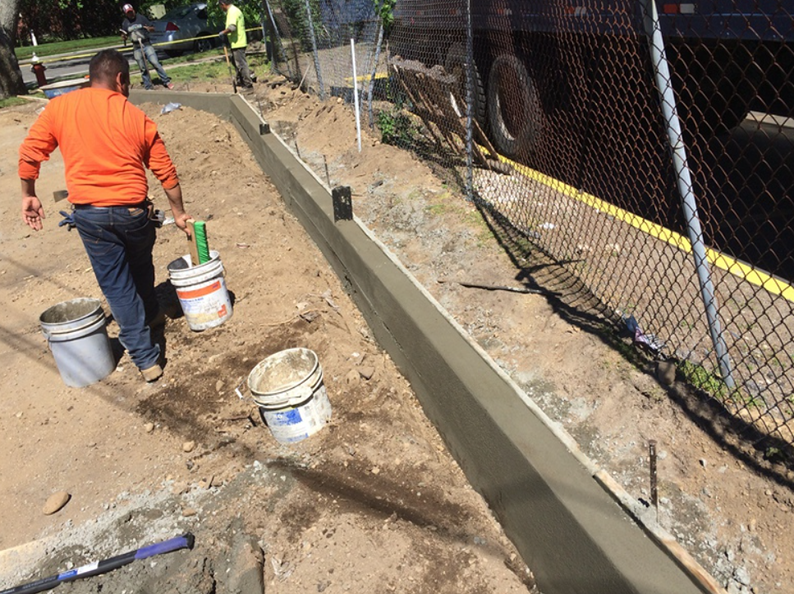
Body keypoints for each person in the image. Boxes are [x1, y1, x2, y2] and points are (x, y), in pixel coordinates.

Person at [19, 49, 192, 383]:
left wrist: (29, 194)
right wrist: (180, 213)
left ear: (89, 77)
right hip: (134, 213)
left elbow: (30, 152)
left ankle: (146, 358)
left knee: (117, 287)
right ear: (120, 80)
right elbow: (166, 173)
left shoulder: (60, 107)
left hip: (91, 217)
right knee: (140, 263)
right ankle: (151, 321)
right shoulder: (136, 116)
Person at [120, 3, 174, 90]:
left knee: (155, 63)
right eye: (128, 13)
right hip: (136, 47)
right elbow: (124, 35)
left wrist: (148, 28)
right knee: (142, 68)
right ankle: (148, 85)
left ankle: (166, 81)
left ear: (133, 10)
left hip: (146, 44)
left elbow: (153, 28)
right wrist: (124, 37)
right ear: (126, 14)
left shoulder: (141, 18)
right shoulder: (125, 23)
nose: (130, 14)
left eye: (131, 11)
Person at [218, 0, 253, 91]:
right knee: (235, 63)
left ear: (223, 4)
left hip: (238, 42)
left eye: (220, 6)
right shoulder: (232, 11)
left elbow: (232, 27)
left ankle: (248, 85)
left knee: (241, 64)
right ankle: (241, 81)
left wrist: (223, 33)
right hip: (234, 43)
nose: (221, 8)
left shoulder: (233, 12)